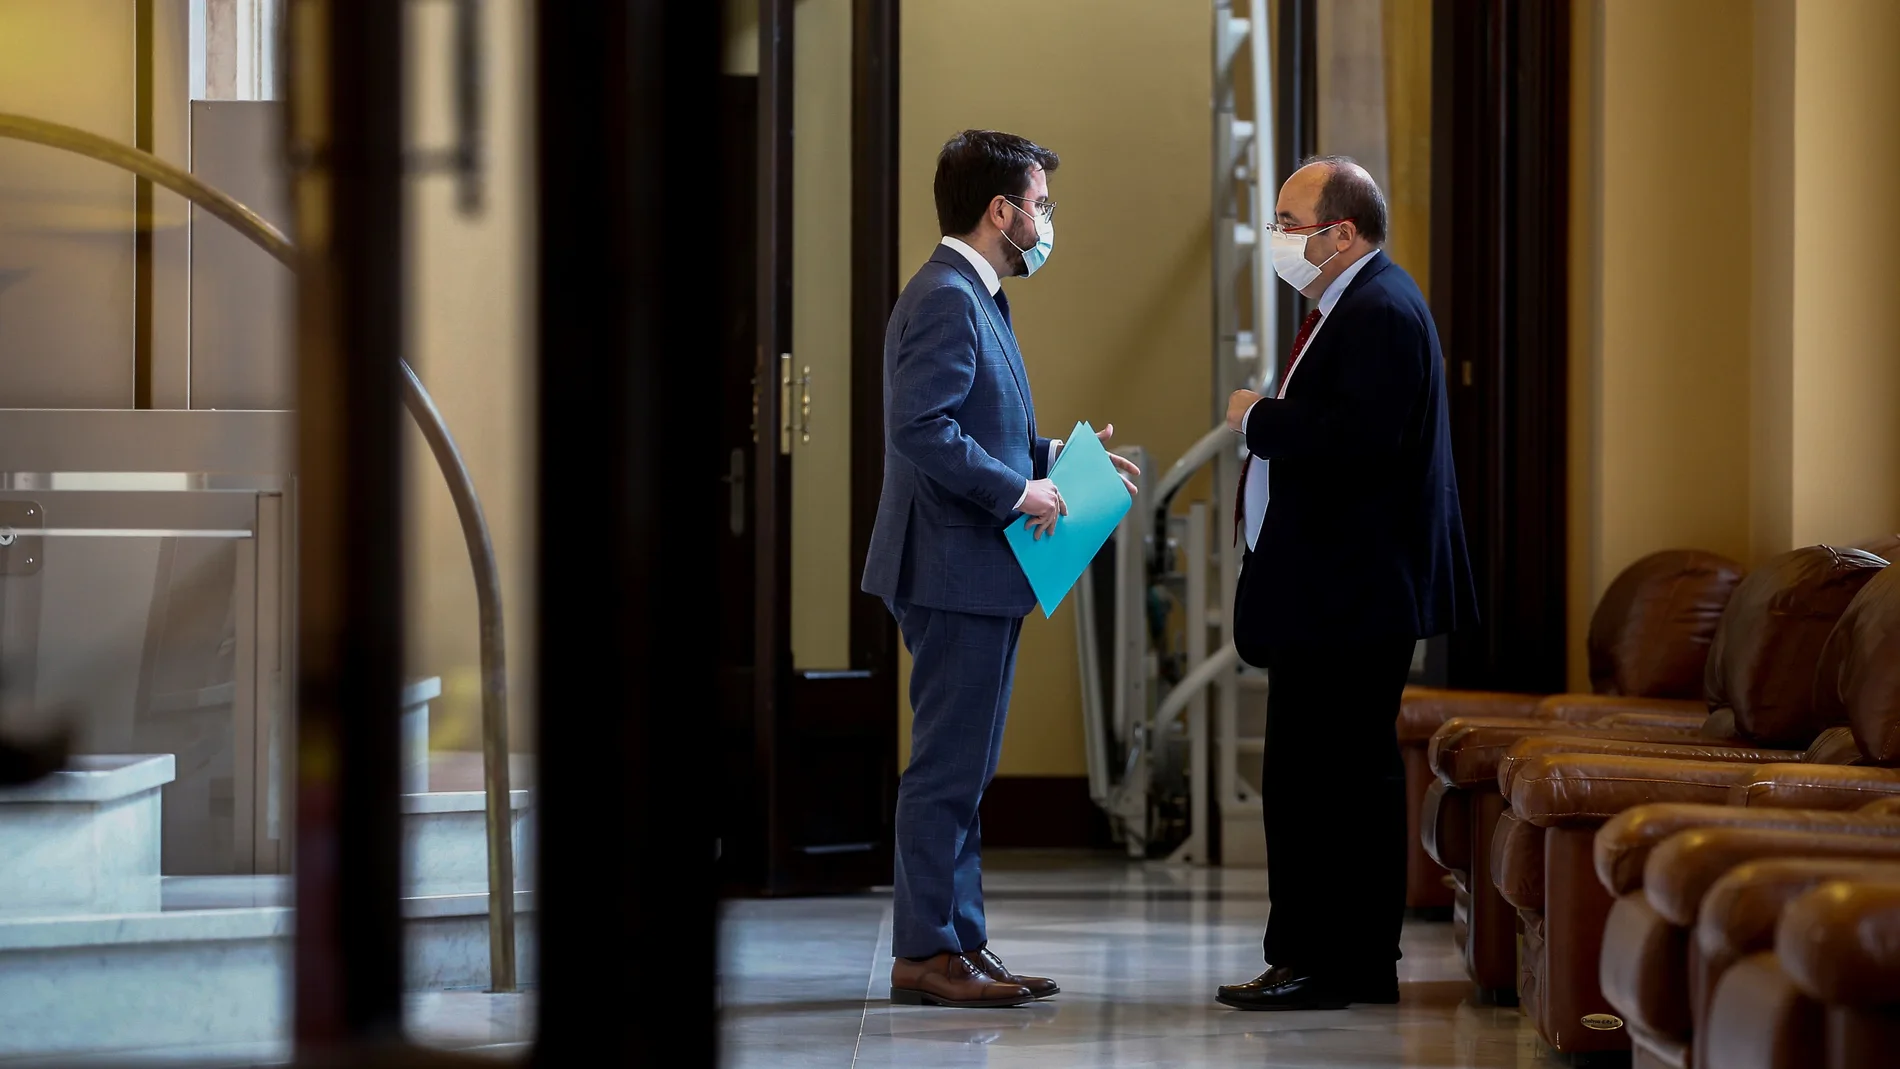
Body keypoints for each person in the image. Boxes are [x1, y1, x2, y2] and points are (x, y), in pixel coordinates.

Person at [861, 129, 1140, 1009]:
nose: (1046, 220)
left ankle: (963, 941)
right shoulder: (947, 297)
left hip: (972, 567)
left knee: (969, 767)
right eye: (1041, 206)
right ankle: (925, 952)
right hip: (951, 567)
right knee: (948, 767)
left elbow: (981, 424)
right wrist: (1022, 492)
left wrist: (1064, 462)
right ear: (1000, 211)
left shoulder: (973, 294)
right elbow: (922, 429)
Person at [1214, 156, 1475, 1011]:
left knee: (1323, 780)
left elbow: (1356, 441)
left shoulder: (1381, 310)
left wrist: (1259, 416)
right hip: (1330, 592)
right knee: (1323, 776)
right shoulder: (1351, 306)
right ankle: (1341, 958)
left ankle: (1323, 961)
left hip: (1350, 596)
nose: (1279, 236)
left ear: (1343, 233)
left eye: (1291, 222)